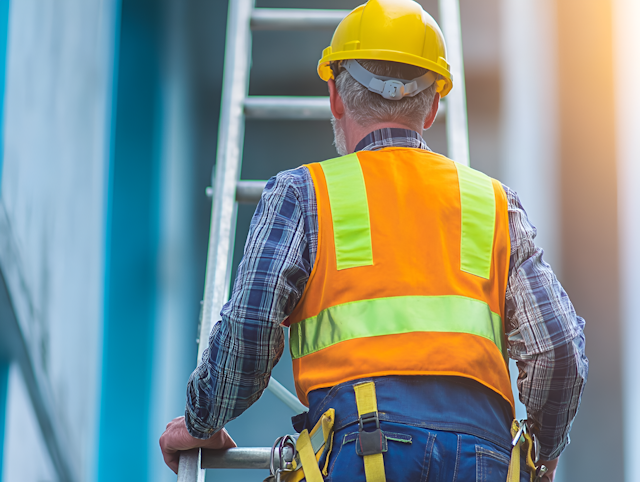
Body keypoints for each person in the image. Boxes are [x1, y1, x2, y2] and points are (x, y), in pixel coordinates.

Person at [160, 1, 588, 480]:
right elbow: (558, 349)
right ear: (432, 107)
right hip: (483, 463)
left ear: (336, 98)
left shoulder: (304, 194)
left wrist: (202, 421)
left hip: (363, 451)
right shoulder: (494, 204)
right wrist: (541, 451)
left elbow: (250, 327)